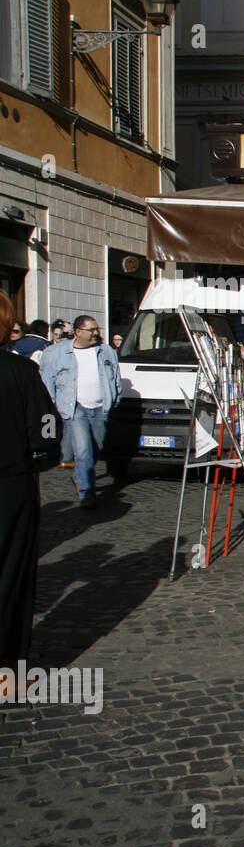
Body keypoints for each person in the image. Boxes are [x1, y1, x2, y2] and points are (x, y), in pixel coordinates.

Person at [0, 292, 61, 700]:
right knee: (10, 577)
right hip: (10, 486)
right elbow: (46, 428)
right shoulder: (19, 371)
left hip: (14, 481)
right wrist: (39, 461)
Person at [39, 314, 121, 510]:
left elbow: (116, 378)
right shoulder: (55, 353)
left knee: (97, 448)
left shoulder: (106, 351)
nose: (96, 333)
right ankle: (86, 492)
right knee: (83, 450)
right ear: (78, 332)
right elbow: (46, 382)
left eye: (96, 329)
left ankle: (79, 477)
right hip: (75, 408)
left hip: (101, 407)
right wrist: (51, 408)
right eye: (91, 330)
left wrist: (115, 400)